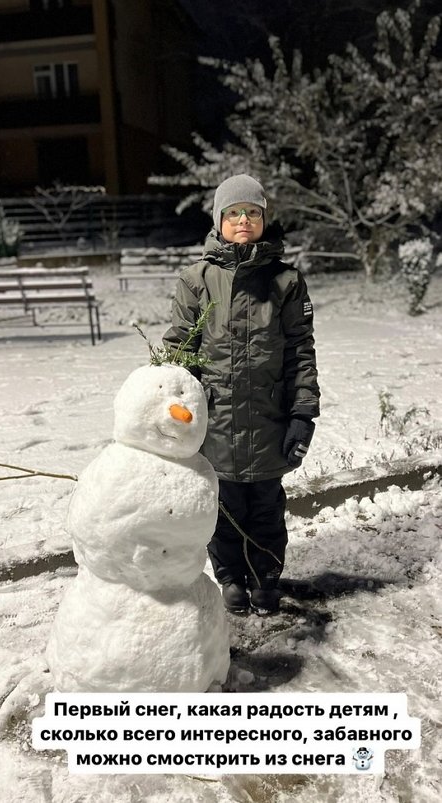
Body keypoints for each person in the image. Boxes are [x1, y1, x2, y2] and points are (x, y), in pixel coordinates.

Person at [162, 174, 320, 614]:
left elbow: (300, 353)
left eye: (252, 212)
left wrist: (303, 413)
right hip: (217, 424)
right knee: (225, 508)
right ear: (220, 220)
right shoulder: (197, 280)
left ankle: (266, 578)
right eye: (234, 213)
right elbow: (181, 350)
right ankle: (231, 577)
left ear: (265, 219)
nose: (244, 220)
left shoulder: (286, 282)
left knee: (267, 508)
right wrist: (176, 413)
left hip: (271, 419)